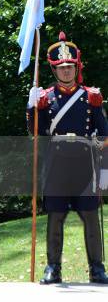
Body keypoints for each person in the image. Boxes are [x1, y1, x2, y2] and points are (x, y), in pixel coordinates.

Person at [27, 32, 108, 284]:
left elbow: (105, 135)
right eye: (61, 68)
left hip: (85, 164)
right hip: (57, 164)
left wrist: (105, 170)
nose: (65, 71)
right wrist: (31, 109)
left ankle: (97, 268)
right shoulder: (45, 98)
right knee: (56, 216)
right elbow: (36, 134)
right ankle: (53, 268)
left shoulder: (91, 96)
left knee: (91, 217)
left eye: (69, 67)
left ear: (76, 67)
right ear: (54, 70)